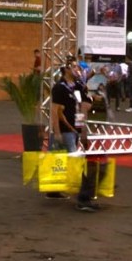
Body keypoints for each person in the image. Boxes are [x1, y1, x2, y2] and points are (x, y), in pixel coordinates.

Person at [49, 60, 98, 212]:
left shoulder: (77, 86)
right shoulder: (59, 88)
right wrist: (56, 131)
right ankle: (82, 198)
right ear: (66, 69)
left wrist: (82, 128)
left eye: (78, 66)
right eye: (75, 66)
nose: (78, 69)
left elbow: (84, 106)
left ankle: (54, 189)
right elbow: (54, 110)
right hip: (65, 129)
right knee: (73, 160)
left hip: (74, 128)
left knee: (62, 158)